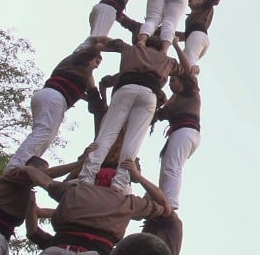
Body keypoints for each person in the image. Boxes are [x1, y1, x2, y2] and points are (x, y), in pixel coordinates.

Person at [78, 36, 188, 192]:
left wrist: (94, 40)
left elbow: (105, 43)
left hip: (125, 89)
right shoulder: (167, 60)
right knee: (133, 141)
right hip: (149, 93)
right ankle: (119, 182)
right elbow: (187, 70)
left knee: (107, 135)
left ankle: (87, 177)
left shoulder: (132, 49)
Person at [26, 158, 172, 255]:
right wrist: (138, 176)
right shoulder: (128, 202)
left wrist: (80, 163)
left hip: (58, 248)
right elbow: (165, 207)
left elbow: (38, 175)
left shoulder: (76, 192)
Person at [5, 38, 110, 171]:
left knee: (47, 135)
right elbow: (94, 96)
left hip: (48, 96)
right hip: (55, 98)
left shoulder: (69, 64)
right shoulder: (85, 72)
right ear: (89, 58)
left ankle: (27, 164)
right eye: (97, 61)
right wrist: (104, 44)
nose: (96, 66)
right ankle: (15, 165)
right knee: (44, 132)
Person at [0, 154, 92, 255]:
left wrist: (78, 211)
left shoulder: (24, 195)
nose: (40, 176)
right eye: (40, 171)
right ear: (31, 166)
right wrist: (79, 163)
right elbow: (48, 174)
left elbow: (40, 212)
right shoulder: (14, 174)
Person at [153, 53, 201, 210]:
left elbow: (187, 69)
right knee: (167, 166)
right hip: (181, 133)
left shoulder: (190, 91)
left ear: (182, 81)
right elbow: (156, 116)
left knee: (172, 167)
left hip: (186, 131)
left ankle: (170, 204)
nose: (170, 84)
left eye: (173, 80)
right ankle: (163, 200)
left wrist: (175, 44)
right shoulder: (172, 101)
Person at [183, 0, 222, 69]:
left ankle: (191, 80)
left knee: (187, 64)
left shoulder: (204, 6)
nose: (188, 4)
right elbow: (185, 35)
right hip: (200, 38)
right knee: (187, 64)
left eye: (190, 1)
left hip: (197, 36)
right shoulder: (195, 15)